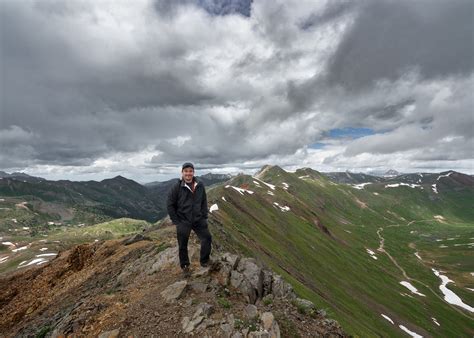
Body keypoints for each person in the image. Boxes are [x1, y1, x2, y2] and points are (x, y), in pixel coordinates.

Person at [166, 162, 213, 277]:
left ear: (193, 172)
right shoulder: (177, 187)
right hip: (183, 221)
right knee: (182, 244)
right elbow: (169, 204)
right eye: (186, 171)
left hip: (198, 219)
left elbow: (203, 201)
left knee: (207, 238)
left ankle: (204, 261)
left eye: (190, 171)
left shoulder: (199, 185)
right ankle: (185, 266)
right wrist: (176, 221)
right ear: (182, 173)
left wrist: (204, 216)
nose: (188, 173)